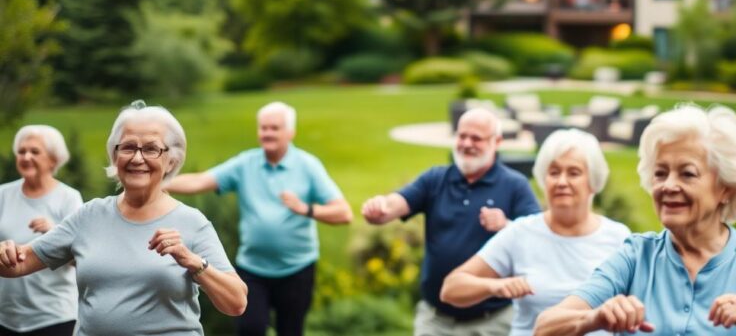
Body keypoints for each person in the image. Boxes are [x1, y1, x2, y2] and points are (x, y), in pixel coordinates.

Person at [536, 105, 736, 336]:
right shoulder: (636, 256)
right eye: (660, 173)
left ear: (725, 187)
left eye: (687, 173)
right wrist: (595, 318)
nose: (668, 185)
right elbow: (545, 327)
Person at [0, 101, 247, 336]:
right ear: (115, 156)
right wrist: (6, 253)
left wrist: (193, 262)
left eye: (151, 148)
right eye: (128, 147)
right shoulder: (89, 215)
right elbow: (20, 263)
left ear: (171, 160)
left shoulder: (192, 222)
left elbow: (236, 303)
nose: (137, 158)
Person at [164, 101, 352, 336]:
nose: (267, 133)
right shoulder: (246, 163)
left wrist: (306, 209)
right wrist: (158, 183)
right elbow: (201, 181)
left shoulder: (307, 166)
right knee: (250, 330)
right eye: (263, 128)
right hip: (253, 270)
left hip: (297, 269)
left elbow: (344, 213)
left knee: (291, 331)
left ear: (290, 132)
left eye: (275, 128)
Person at [362, 107, 541, 336]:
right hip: (435, 320)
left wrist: (507, 225)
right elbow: (396, 203)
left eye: (476, 138)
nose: (466, 143)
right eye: (462, 135)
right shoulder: (436, 179)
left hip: (493, 321)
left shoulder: (514, 185)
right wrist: (379, 208)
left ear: (496, 142)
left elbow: (538, 238)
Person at [440, 128, 631, 336]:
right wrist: (495, 286)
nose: (561, 182)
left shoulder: (618, 237)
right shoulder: (521, 233)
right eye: (554, 172)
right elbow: (451, 288)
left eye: (573, 173)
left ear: (593, 182)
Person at [0, 125, 82, 336]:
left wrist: (55, 234)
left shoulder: (69, 198)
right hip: (7, 316)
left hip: (54, 317)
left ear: (53, 159)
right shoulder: (3, 194)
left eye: (35, 151)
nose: (26, 156)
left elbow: (83, 258)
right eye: (21, 151)